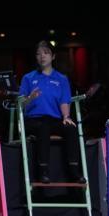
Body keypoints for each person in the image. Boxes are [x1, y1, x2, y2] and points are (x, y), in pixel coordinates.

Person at [18, 41, 83, 183]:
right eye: (38, 54)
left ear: (53, 56)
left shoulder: (62, 79)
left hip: (54, 120)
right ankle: (43, 172)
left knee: (71, 128)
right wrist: (30, 98)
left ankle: (74, 171)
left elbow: (64, 101)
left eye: (46, 53)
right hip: (33, 121)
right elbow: (21, 104)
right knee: (44, 126)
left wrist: (66, 116)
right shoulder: (28, 78)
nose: (42, 56)